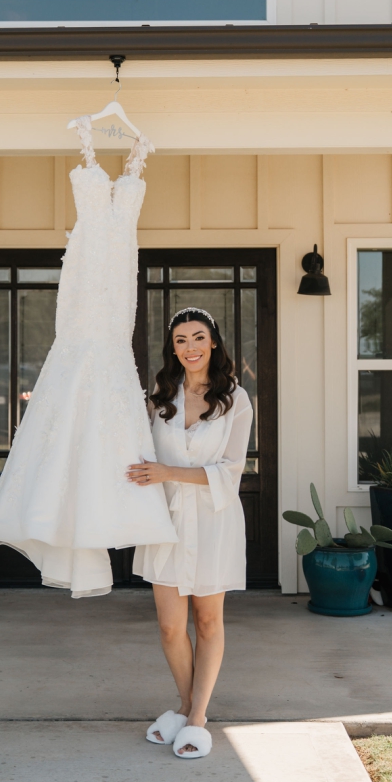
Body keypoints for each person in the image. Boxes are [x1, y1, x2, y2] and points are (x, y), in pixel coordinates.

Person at [127, 307, 254, 759]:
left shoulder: (235, 400)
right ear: (173, 349)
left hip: (214, 519)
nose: (190, 347)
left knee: (207, 620)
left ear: (214, 342)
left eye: (198, 337)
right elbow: (135, 454)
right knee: (168, 626)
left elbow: (231, 471)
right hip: (166, 519)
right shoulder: (160, 395)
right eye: (181, 340)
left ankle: (197, 717)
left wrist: (167, 471)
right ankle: (184, 706)